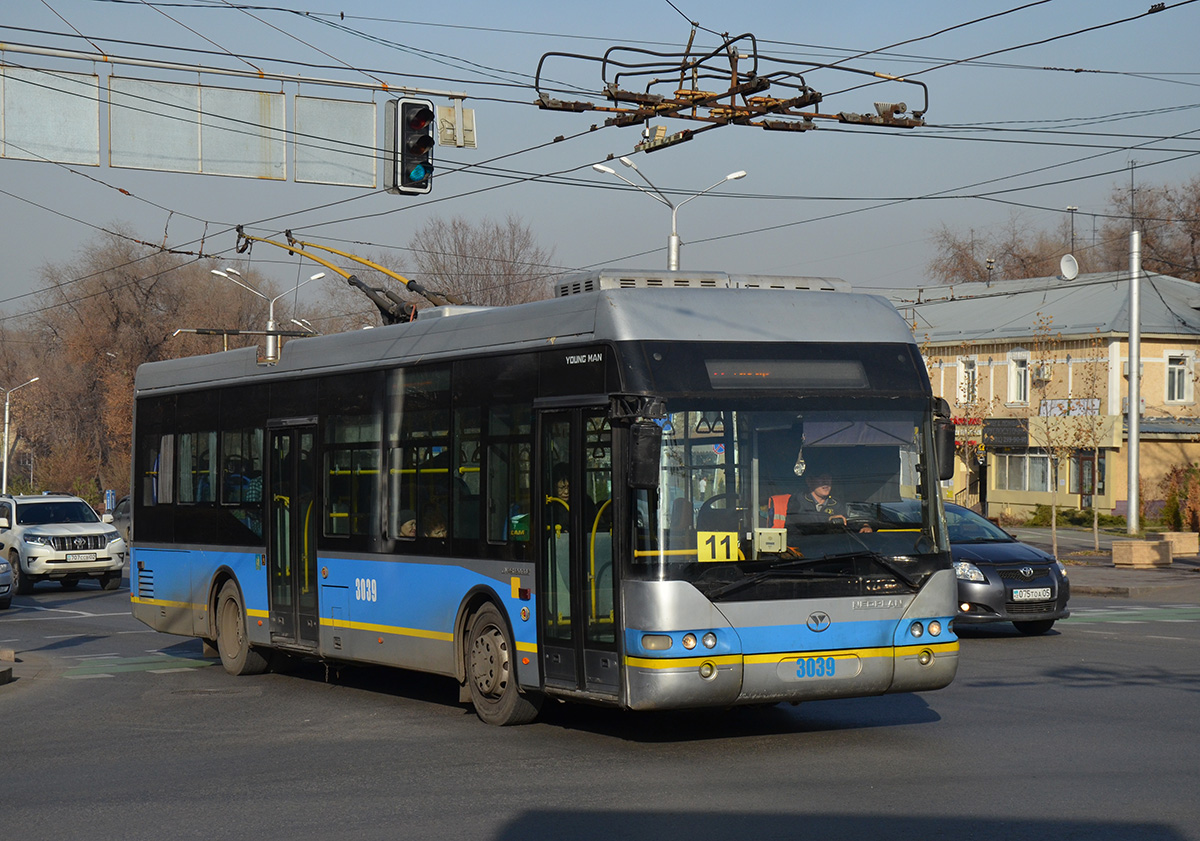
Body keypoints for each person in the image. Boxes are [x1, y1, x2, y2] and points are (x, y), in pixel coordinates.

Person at [781, 471, 872, 534]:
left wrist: (863, 525)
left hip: (831, 549)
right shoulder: (798, 499)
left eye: (828, 478)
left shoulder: (836, 504)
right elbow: (805, 520)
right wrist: (829, 519)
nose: (826, 482)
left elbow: (846, 521)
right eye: (821, 478)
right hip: (803, 550)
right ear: (809, 481)